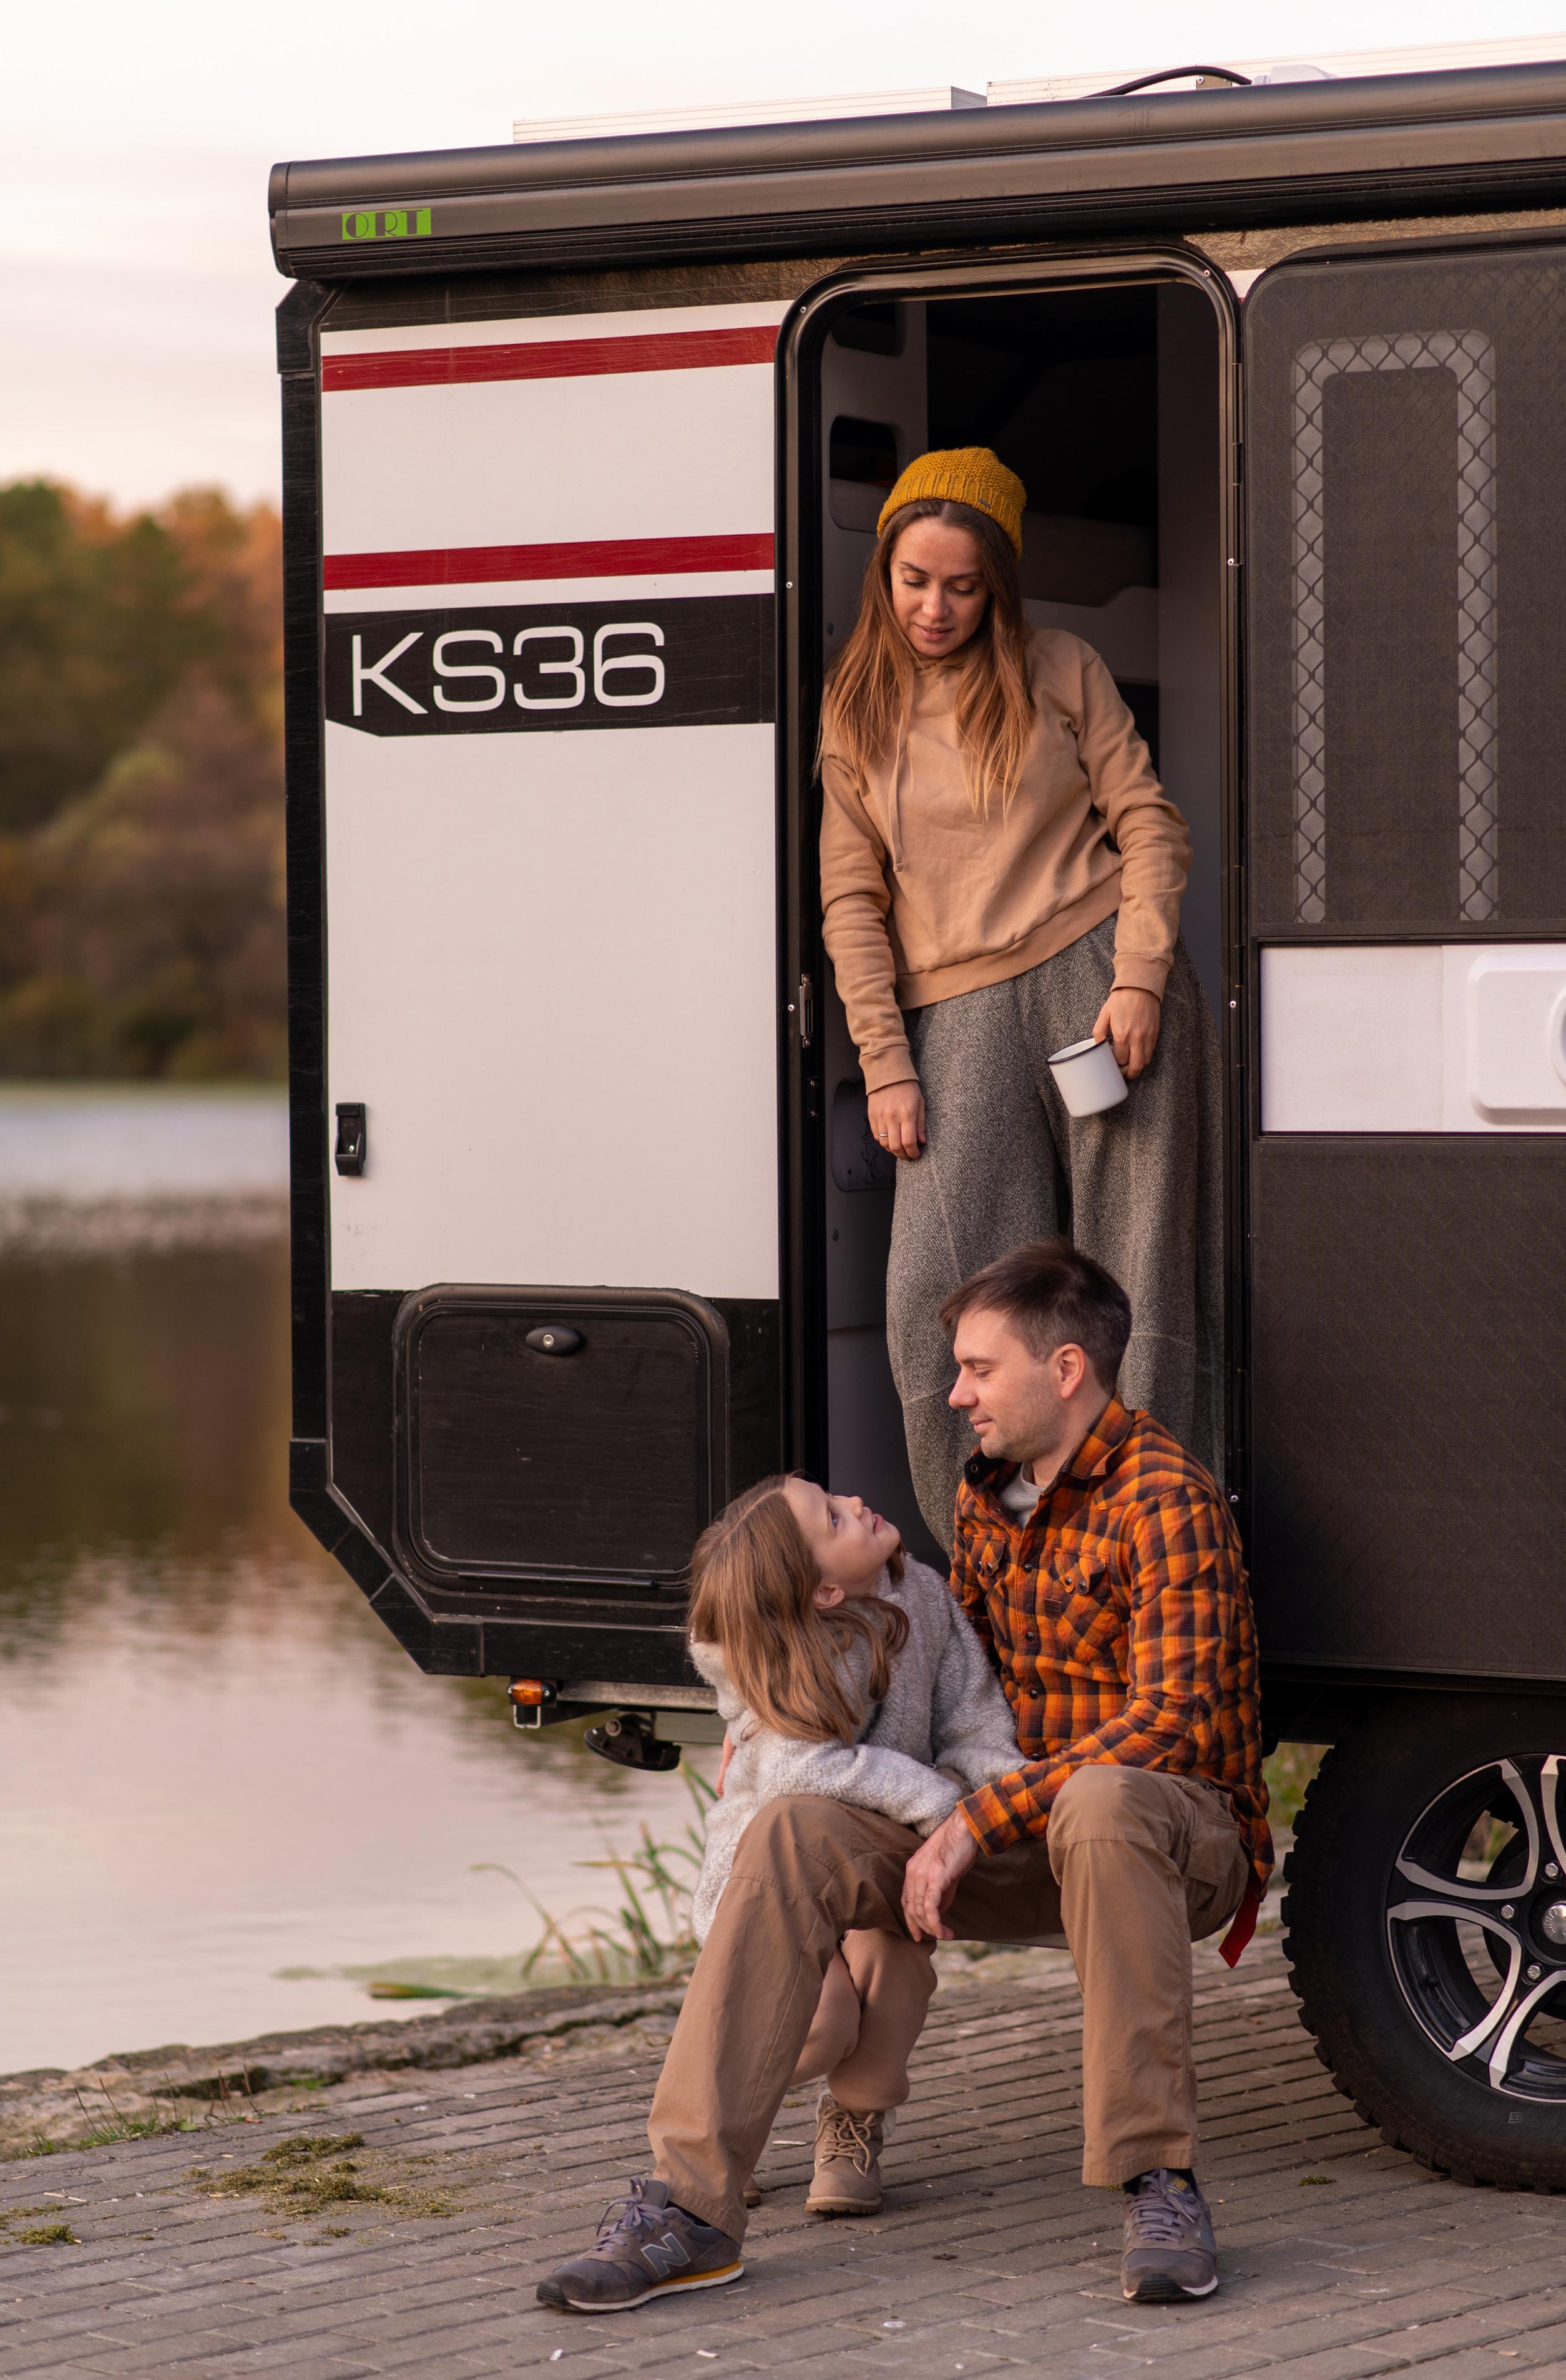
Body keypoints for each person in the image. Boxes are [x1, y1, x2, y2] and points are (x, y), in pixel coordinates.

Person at [535, 1239, 1270, 2316]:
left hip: (1166, 1840)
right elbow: (953, 1686)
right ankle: (689, 2205)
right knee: (793, 1827)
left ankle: (1158, 2180)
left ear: (1065, 1371)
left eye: (978, 1367)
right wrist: (770, 1725)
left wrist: (980, 1816)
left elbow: (1170, 1723)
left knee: (1104, 1797)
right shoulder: (987, 1504)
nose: (956, 1392)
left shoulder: (1169, 1501)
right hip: (1008, 1829)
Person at [820, 446, 1222, 1551]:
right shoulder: (855, 712)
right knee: (939, 1296)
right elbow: (851, 904)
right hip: (956, 1013)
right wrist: (889, 1062)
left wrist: (1140, 977)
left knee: (1133, 1276)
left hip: (1099, 983)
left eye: (961, 584)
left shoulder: (1060, 666)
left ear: (997, 583)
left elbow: (1149, 824)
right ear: (885, 573)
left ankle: (1150, 1542)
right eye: (913, 579)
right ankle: (996, 1557)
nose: (934, 607)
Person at [685, 1471, 1018, 2220]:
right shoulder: (786, 1654)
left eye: (835, 1498)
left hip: (880, 1851)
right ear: (823, 1593)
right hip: (777, 1871)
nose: (857, 1504)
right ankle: (723, 2122)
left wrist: (992, 1798)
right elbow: (802, 1770)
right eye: (833, 1519)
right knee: (824, 2020)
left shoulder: (925, 1596)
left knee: (896, 1968)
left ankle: (855, 2122)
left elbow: (975, 1720)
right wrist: (933, 1796)